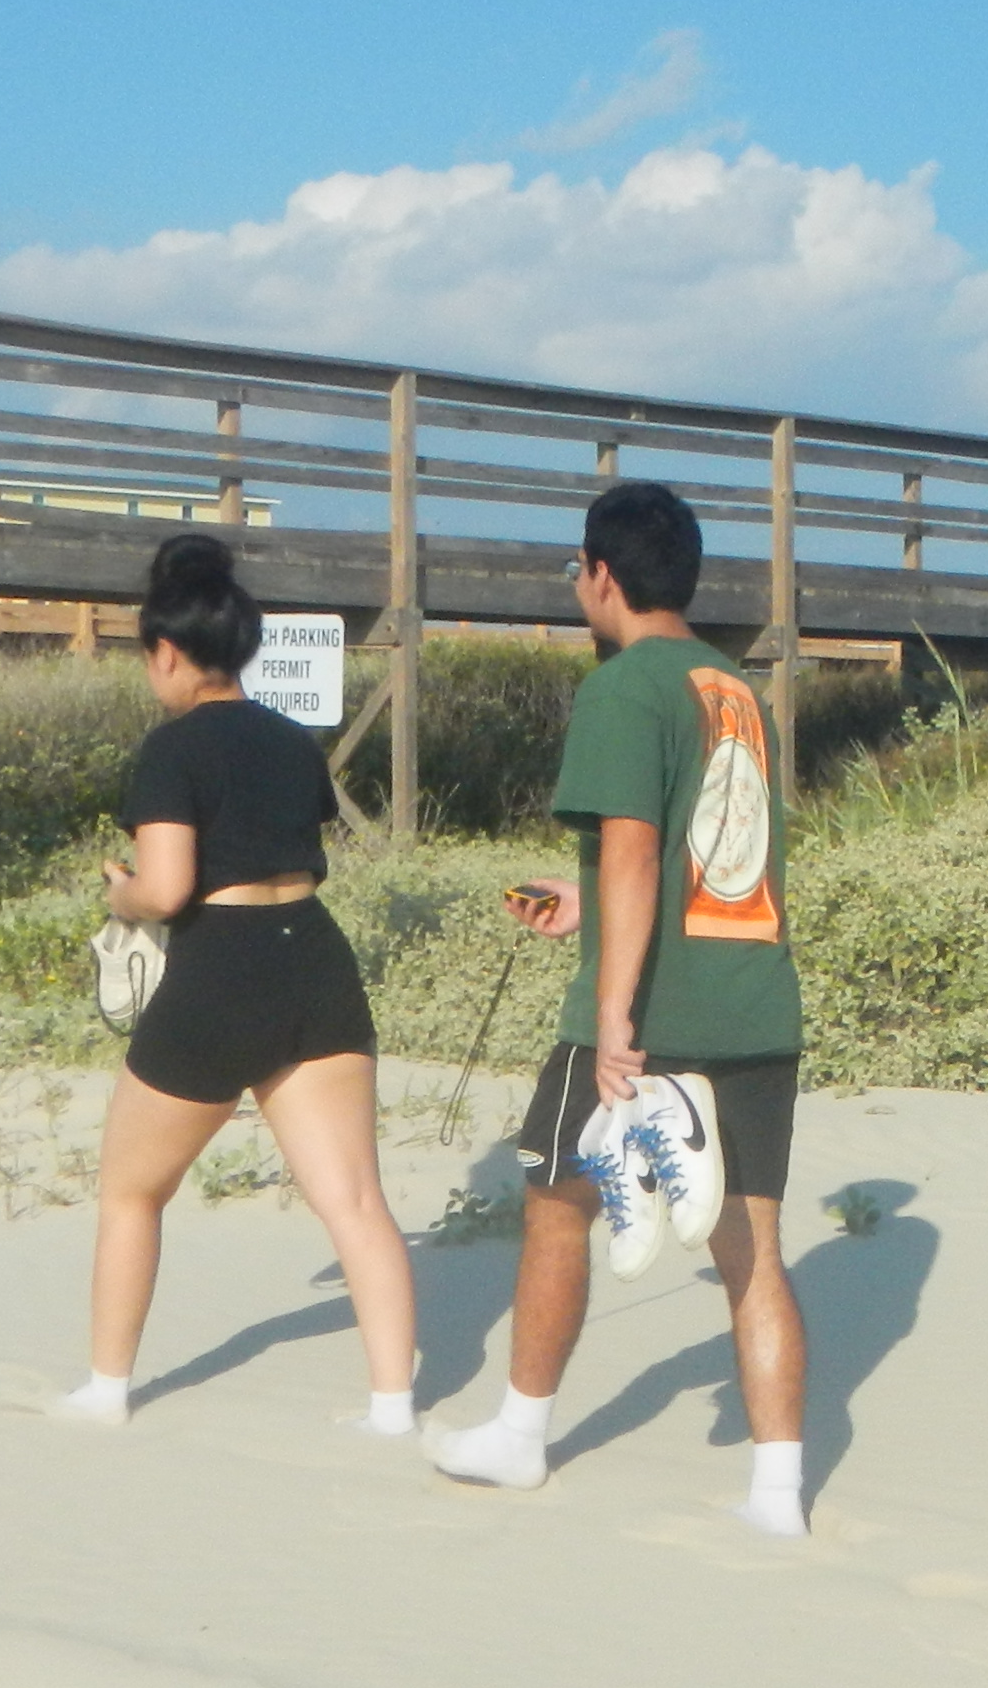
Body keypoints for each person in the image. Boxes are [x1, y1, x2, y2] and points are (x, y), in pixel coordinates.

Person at [428, 481, 814, 1535]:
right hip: (753, 997)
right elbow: (702, 854)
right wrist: (585, 901)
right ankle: (778, 1492)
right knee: (754, 1249)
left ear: (600, 576)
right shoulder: (730, 686)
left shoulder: (621, 688)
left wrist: (611, 1016)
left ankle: (519, 1433)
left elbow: (637, 848)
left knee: (556, 1204)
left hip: (657, 1010)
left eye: (578, 573)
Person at [61, 534, 419, 1433]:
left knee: (131, 1192)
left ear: (167, 653)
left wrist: (123, 894)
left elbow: (170, 886)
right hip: (316, 962)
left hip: (222, 967)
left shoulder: (172, 750)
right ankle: (392, 1404)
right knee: (357, 1201)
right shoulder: (295, 743)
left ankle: (107, 1390)